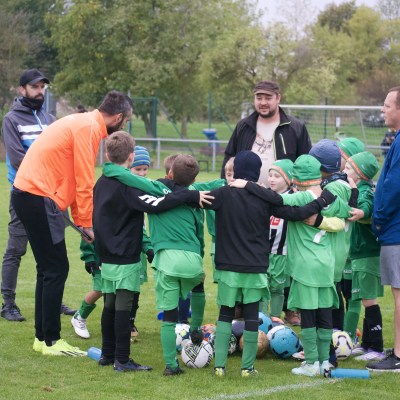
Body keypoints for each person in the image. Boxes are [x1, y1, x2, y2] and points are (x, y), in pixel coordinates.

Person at [11, 90, 133, 356]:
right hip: (37, 196)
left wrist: (82, 222)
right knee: (56, 269)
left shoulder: (84, 123)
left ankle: (42, 339)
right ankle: (51, 341)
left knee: (48, 269)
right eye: (126, 121)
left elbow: (77, 180)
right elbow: (85, 181)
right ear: (118, 117)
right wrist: (86, 224)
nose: (124, 126)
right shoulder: (88, 128)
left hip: (29, 194)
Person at [210, 151, 336, 377]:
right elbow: (298, 213)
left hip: (227, 267)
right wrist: (322, 201)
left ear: (235, 171)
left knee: (225, 314)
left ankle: (219, 367)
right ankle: (247, 369)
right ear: (257, 172)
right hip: (255, 266)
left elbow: (190, 197)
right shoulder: (264, 198)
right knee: (251, 316)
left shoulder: (221, 193)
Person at [99, 152, 212, 375]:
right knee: (198, 286)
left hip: (166, 260)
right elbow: (200, 234)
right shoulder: (196, 198)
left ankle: (171, 365)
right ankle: (196, 329)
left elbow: (133, 180)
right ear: (194, 179)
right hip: (192, 259)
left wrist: (110, 168)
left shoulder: (156, 189)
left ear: (169, 173)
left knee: (169, 317)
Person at [1, 68, 75, 322]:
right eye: (34, 87)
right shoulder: (11, 119)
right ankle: (8, 304)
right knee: (16, 249)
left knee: (50, 252)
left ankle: (52, 300)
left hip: (51, 196)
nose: (39, 91)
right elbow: (17, 159)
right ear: (22, 89)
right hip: (25, 194)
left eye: (42, 87)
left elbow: (62, 153)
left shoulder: (50, 119)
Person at [221, 80, 312, 187]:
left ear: (278, 98)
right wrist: (225, 187)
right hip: (245, 193)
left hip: (282, 195)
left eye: (268, 98)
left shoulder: (296, 127)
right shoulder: (243, 126)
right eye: (259, 98)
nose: (263, 103)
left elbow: (306, 163)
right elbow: (229, 158)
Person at [342, 152, 385, 362]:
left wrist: (361, 213)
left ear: (359, 173)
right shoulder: (356, 189)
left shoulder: (365, 190)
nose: (344, 170)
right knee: (364, 299)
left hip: (368, 254)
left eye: (348, 168)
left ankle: (377, 346)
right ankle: (367, 344)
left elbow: (367, 206)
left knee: (369, 300)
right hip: (359, 254)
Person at [368, 86, 400, 372]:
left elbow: (392, 186)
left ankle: (399, 355)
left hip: (396, 231)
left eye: (387, 105)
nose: (382, 110)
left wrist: (377, 218)